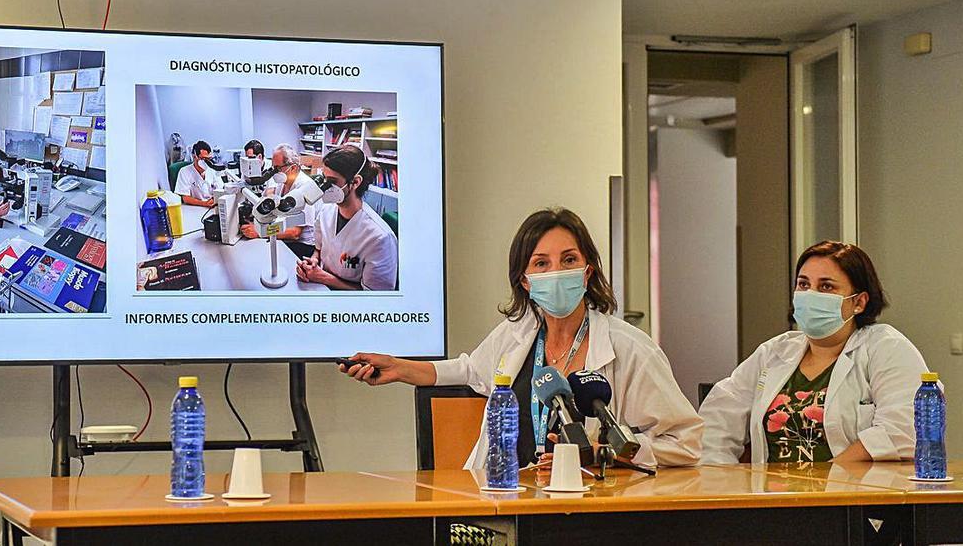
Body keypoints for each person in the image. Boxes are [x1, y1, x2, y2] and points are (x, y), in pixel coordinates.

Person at [342, 208, 703, 469]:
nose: (556, 272)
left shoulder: (629, 349)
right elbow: (470, 371)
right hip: (512, 495)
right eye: (541, 263)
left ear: (587, 271)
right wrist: (399, 368)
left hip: (592, 509)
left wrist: (604, 449)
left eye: (568, 260)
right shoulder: (519, 333)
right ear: (525, 281)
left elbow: (685, 443)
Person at [699, 241, 927, 465]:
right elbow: (718, 420)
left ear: (859, 302)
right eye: (803, 284)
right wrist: (721, 481)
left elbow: (903, 429)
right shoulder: (774, 352)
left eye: (826, 286)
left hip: (852, 495)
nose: (810, 294)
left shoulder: (886, 346)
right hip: (770, 497)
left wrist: (823, 480)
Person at [295, 145, 397, 290]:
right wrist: (313, 262)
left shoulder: (380, 238)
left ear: (355, 182)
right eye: (323, 179)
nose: (325, 187)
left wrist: (322, 276)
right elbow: (318, 249)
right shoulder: (325, 212)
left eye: (332, 182)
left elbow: (374, 296)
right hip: (320, 288)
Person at [241, 143, 317, 259]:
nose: (274, 172)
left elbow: (295, 233)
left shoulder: (305, 187)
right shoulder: (282, 183)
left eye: (278, 168)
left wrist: (261, 232)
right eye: (273, 168)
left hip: (302, 245)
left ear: (294, 167)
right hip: (286, 233)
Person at [174, 140, 219, 207]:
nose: (206, 162)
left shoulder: (212, 171)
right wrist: (204, 204)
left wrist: (214, 200)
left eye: (208, 159)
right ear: (194, 157)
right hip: (195, 208)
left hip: (212, 207)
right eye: (203, 159)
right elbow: (185, 198)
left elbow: (221, 190)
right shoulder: (184, 172)